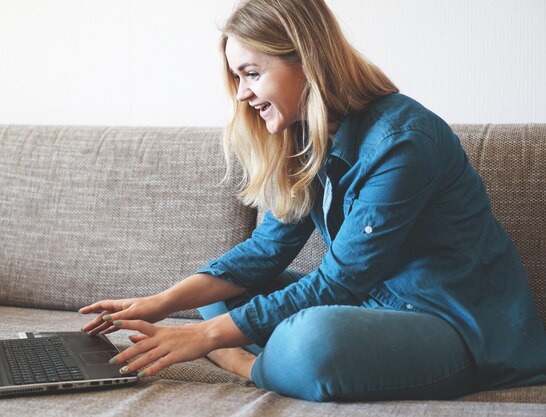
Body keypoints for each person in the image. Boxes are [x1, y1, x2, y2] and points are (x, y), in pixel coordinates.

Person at [79, 0, 546, 402]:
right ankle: (263, 352)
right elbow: (264, 253)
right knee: (222, 294)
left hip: (453, 326)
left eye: (252, 74)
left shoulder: (404, 140)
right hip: (370, 305)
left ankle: (249, 367)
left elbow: (340, 282)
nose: (242, 94)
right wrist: (158, 303)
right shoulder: (307, 137)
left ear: (307, 60)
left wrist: (206, 340)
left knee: (312, 340)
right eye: (237, 78)